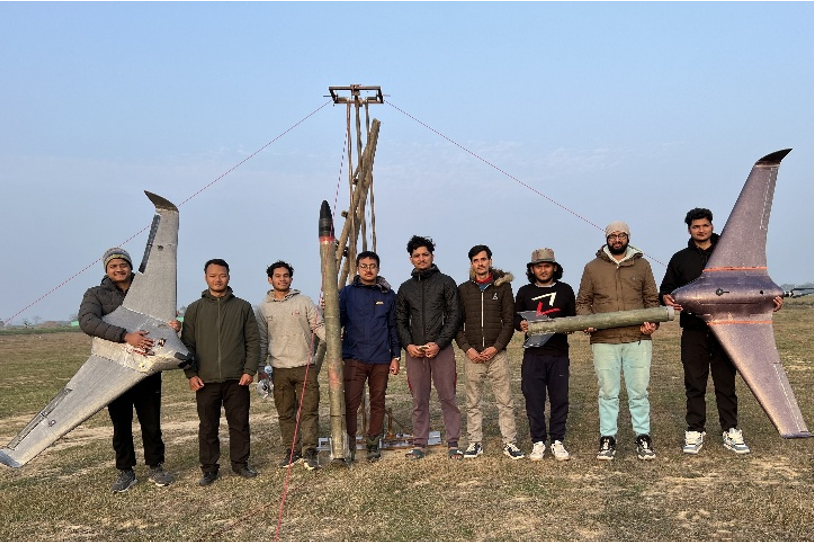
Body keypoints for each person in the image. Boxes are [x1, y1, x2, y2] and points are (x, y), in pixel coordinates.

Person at [660, 208, 783, 455]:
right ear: (689, 230)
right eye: (696, 227)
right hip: (694, 331)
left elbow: (751, 286)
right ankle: (695, 430)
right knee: (694, 382)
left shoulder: (730, 257)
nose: (701, 230)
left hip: (728, 329)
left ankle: (731, 429)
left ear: (712, 226)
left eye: (705, 225)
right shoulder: (680, 259)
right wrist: (665, 298)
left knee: (725, 382)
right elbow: (666, 289)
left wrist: (770, 302)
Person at [78, 247, 177, 493]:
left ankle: (156, 466)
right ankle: (125, 471)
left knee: (151, 423)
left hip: (146, 368)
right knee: (121, 424)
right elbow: (88, 322)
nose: (119, 269)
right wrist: (125, 336)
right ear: (106, 270)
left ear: (130, 267)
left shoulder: (147, 292)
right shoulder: (95, 294)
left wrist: (172, 327)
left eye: (123, 265)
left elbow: (160, 323)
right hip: (116, 370)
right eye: (113, 266)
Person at [576, 222, 660, 461]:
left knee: (639, 391)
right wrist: (587, 321)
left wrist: (652, 323)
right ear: (607, 239)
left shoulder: (643, 265)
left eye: (621, 235)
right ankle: (607, 438)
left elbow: (651, 299)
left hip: (638, 339)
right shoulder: (592, 268)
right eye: (612, 236)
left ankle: (643, 436)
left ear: (628, 237)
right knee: (608, 392)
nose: (617, 239)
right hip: (604, 340)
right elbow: (582, 302)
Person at [182, 259, 260, 486]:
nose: (218, 280)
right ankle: (209, 468)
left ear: (229, 276)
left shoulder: (242, 307)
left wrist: (249, 370)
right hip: (205, 380)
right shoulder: (195, 309)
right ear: (205, 277)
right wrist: (191, 374)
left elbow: (253, 341)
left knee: (239, 423)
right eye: (213, 275)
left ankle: (240, 463)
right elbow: (187, 346)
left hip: (237, 378)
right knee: (208, 426)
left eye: (222, 275)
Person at [396, 235, 463, 461]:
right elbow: (400, 320)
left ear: (432, 256)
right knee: (419, 399)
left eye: (425, 254)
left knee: (448, 396)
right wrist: (408, 345)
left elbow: (454, 316)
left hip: (441, 349)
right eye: (417, 255)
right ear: (411, 259)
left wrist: (440, 343)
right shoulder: (405, 288)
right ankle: (419, 443)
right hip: (415, 351)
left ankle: (453, 442)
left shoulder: (446, 282)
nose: (421, 258)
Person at [455, 244, 524, 460]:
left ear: (490, 261)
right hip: (473, 355)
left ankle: (510, 442)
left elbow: (509, 321)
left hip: (497, 354)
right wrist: (467, 349)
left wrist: (496, 347)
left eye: (483, 259)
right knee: (473, 402)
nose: (480, 264)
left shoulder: (503, 288)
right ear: (471, 264)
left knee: (505, 401)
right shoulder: (463, 290)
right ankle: (475, 442)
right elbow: (457, 324)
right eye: (476, 260)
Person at [256, 260, 325, 471]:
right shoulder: (262, 308)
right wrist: (261, 368)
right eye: (278, 276)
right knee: (285, 412)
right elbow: (262, 340)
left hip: (304, 366)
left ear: (291, 279)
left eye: (286, 275)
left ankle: (309, 451)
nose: (282, 279)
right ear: (270, 280)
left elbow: (318, 326)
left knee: (309, 410)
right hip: (279, 369)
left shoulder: (304, 301)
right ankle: (292, 450)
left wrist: (334, 339)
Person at [514, 248, 575, 462]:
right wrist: (521, 324)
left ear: (554, 268)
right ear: (532, 269)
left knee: (560, 399)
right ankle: (538, 441)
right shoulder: (524, 291)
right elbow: (515, 319)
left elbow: (573, 319)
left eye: (547, 266)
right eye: (538, 266)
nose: (543, 270)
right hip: (533, 354)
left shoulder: (565, 290)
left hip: (558, 354)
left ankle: (557, 440)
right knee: (534, 399)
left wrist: (567, 327)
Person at [339, 251, 401, 462]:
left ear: (378, 268)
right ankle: (349, 444)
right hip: (354, 357)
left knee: (378, 401)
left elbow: (393, 327)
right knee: (351, 402)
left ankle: (373, 443)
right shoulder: (347, 293)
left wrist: (396, 356)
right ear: (357, 268)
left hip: (380, 357)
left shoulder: (388, 294)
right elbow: (337, 320)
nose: (368, 270)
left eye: (372, 266)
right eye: (364, 266)